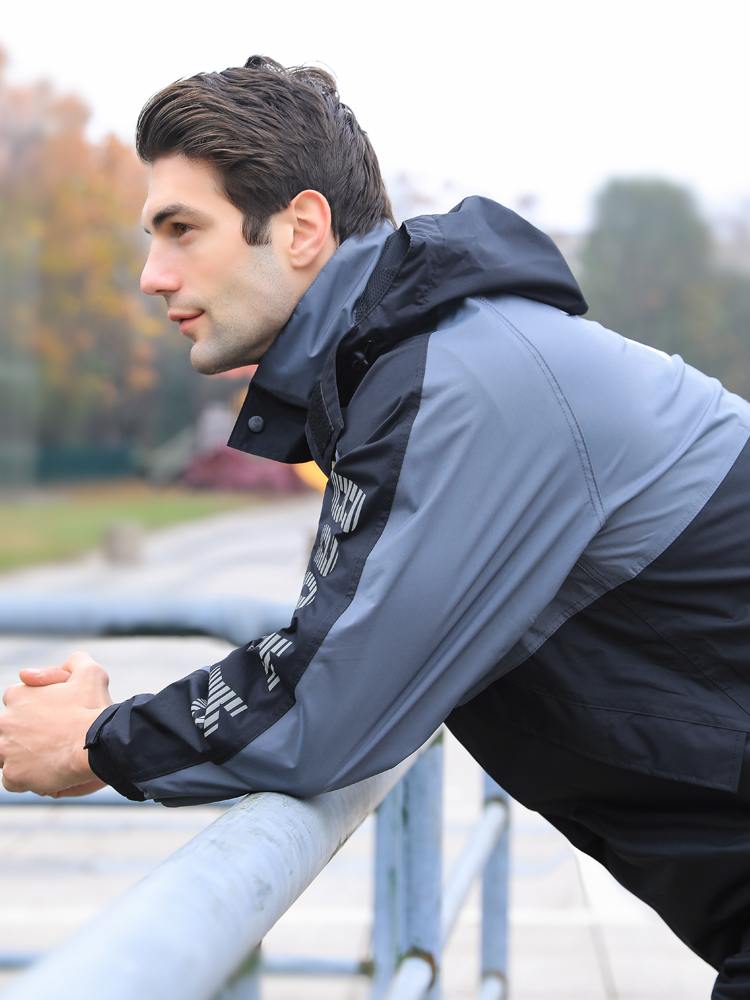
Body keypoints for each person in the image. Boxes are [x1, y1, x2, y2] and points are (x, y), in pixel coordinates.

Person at [1, 56, 750, 998]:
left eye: (182, 229)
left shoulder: (460, 378)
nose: (153, 276)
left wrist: (95, 742)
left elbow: (327, 703)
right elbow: (351, 653)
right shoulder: (409, 368)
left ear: (303, 228)